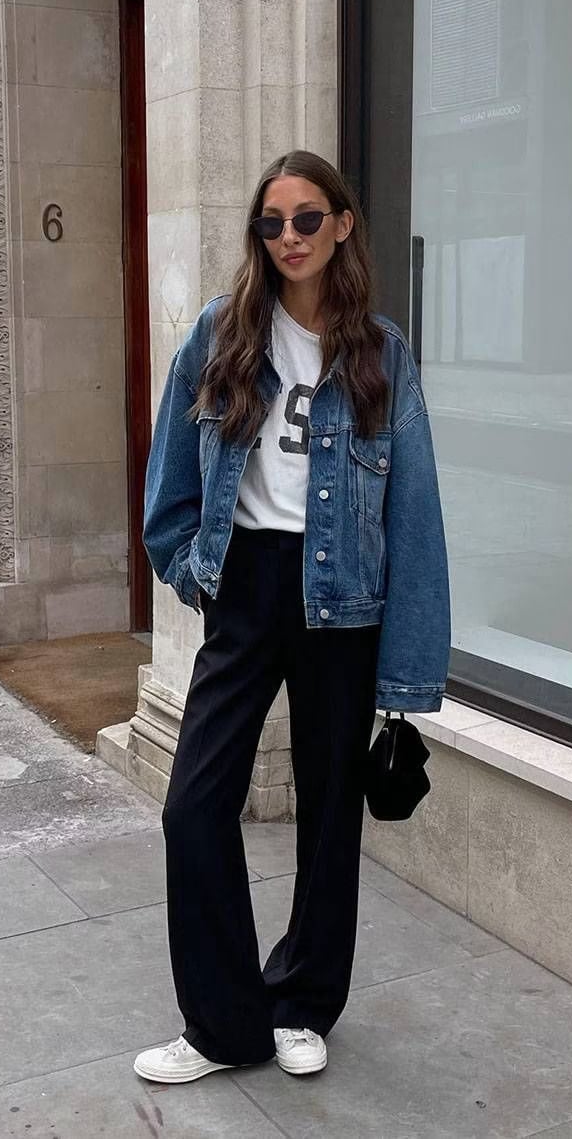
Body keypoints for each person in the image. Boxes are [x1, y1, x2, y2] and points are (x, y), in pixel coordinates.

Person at [137, 150, 450, 1084]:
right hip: (249, 581)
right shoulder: (224, 333)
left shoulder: (381, 353)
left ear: (344, 224)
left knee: (328, 814)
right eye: (271, 224)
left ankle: (305, 997)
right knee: (194, 807)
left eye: (307, 219)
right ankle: (225, 1024)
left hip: (345, 597)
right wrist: (193, 566)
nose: (289, 239)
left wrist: (408, 671)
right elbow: (171, 468)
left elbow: (415, 515)